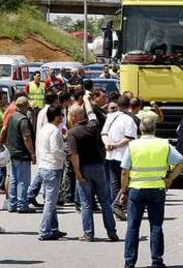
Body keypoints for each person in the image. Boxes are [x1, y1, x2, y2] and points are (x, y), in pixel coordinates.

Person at [120, 116, 183, 268]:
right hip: (157, 189)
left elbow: (124, 171)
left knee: (132, 227)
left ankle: (129, 262)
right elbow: (181, 163)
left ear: (140, 129)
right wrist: (169, 179)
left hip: (136, 190)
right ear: (154, 128)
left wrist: (124, 191)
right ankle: (157, 261)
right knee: (156, 226)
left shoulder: (133, 145)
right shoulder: (163, 144)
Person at [68, 94, 119, 242]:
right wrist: (86, 100)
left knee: (86, 203)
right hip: (98, 166)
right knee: (105, 201)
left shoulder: (72, 133)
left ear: (73, 118)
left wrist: (77, 173)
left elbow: (74, 155)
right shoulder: (93, 125)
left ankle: (88, 233)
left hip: (83, 168)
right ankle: (112, 232)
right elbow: (91, 112)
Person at [101, 95, 138, 220]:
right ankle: (117, 204)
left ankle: (116, 206)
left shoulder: (110, 117)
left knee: (114, 182)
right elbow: (130, 138)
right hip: (123, 155)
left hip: (110, 154)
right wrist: (115, 146)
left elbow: (104, 133)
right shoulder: (129, 120)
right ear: (128, 106)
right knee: (126, 181)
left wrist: (107, 145)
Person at [37, 105, 67, 241]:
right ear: (56, 117)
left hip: (44, 166)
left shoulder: (44, 129)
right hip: (52, 167)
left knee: (51, 200)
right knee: (50, 202)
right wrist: (65, 155)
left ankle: (53, 229)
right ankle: (44, 230)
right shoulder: (54, 131)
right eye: (61, 115)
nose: (63, 117)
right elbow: (55, 151)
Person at [27, 92, 59, 208]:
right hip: (46, 147)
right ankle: (38, 196)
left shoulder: (42, 111)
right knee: (45, 173)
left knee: (41, 172)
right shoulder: (48, 112)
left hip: (42, 145)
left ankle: (31, 194)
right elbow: (48, 130)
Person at [6, 96, 36, 213]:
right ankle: (22, 204)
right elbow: (26, 138)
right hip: (22, 153)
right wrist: (32, 153)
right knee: (23, 180)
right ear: (25, 106)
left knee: (14, 179)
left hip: (12, 152)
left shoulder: (12, 116)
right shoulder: (23, 119)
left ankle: (12, 204)